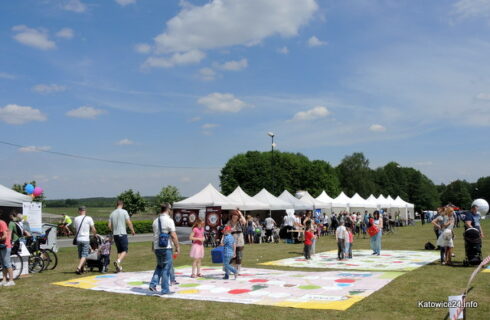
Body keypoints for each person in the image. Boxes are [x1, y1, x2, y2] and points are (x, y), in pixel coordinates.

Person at [149, 203, 180, 295]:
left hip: (156, 247)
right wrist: (177, 247)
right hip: (166, 247)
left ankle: (153, 284)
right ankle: (165, 289)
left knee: (159, 266)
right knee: (166, 268)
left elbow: (154, 235)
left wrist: (153, 247)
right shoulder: (169, 220)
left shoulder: (155, 221)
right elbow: (173, 236)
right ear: (168, 209)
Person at [108, 200, 136, 273]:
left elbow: (109, 226)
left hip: (115, 234)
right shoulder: (124, 212)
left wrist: (113, 230)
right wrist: (132, 230)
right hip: (122, 233)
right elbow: (128, 222)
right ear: (122, 205)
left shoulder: (112, 213)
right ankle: (118, 261)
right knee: (125, 250)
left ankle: (118, 268)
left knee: (119, 251)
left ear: (116, 205)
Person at [73, 206, 96, 274]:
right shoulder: (89, 218)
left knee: (80, 255)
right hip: (85, 239)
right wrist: (95, 234)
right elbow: (93, 229)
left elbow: (75, 229)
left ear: (79, 211)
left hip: (78, 239)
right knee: (85, 255)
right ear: (85, 211)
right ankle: (78, 268)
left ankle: (82, 269)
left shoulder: (76, 218)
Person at [226, 210, 246, 274]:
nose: (235, 217)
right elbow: (226, 230)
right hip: (232, 240)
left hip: (239, 240)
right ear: (231, 216)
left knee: (239, 255)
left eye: (236, 215)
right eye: (234, 215)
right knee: (231, 256)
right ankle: (232, 269)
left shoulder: (239, 221)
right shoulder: (229, 222)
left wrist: (240, 214)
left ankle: (238, 270)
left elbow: (244, 221)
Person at [0, 218, 15, 286]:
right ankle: (4, 280)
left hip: (6, 246)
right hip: (1, 246)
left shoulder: (2, 223)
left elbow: (5, 235)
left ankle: (11, 280)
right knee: (3, 264)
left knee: (7, 263)